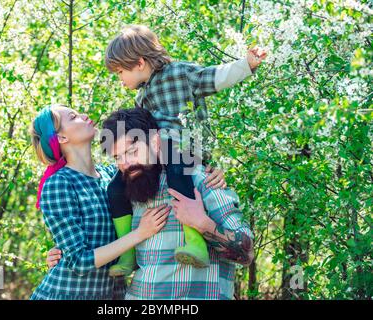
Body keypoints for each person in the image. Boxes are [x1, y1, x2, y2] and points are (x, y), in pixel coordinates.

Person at [103, 25, 265, 275]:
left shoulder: (178, 73)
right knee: (115, 188)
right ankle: (128, 254)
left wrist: (246, 64)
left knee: (178, 173)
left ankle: (195, 242)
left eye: (120, 71)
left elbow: (213, 77)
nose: (120, 79)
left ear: (138, 63)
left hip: (184, 149)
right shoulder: (142, 95)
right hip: (162, 154)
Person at [49, 108, 255, 300]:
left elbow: (247, 254)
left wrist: (202, 222)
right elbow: (97, 243)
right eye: (117, 157)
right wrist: (60, 252)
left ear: (156, 142)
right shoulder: (126, 192)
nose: (126, 164)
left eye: (132, 151)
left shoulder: (199, 181)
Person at [29, 104, 170, 300]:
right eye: (73, 116)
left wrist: (208, 172)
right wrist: (140, 233)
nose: (84, 115)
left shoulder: (113, 175)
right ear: (62, 138)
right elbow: (78, 261)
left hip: (111, 295)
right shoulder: (59, 184)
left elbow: (157, 170)